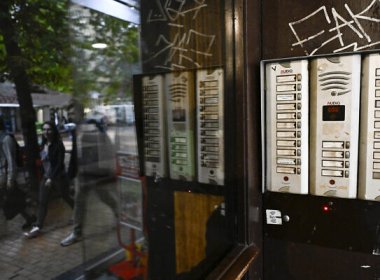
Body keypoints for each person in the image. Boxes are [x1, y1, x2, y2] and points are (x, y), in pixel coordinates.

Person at [60, 118, 119, 246]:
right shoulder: (81, 137)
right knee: (80, 203)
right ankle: (77, 232)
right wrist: (73, 175)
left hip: (97, 175)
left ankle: (120, 215)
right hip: (84, 176)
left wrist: (108, 172)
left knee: (105, 197)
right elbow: (75, 156)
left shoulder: (102, 137)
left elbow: (109, 154)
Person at [25, 121, 74, 238]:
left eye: (49, 129)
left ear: (54, 131)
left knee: (66, 197)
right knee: (42, 202)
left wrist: (51, 178)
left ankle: (78, 213)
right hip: (46, 177)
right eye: (44, 129)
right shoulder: (44, 144)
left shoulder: (58, 145)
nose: (46, 132)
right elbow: (43, 162)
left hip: (58, 177)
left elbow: (59, 164)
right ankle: (37, 226)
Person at [0, 117, 35, 230]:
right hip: (2, 175)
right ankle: (30, 218)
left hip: (5, 176)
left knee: (12, 199)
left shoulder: (6, 139)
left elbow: (11, 161)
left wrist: (10, 179)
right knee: (15, 199)